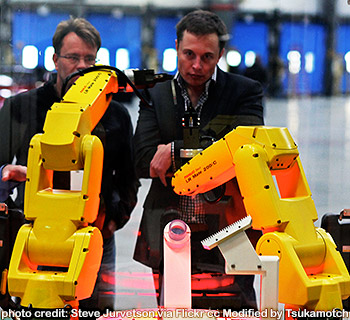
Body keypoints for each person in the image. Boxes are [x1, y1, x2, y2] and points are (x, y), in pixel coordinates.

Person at [0, 17, 139, 312]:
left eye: (90, 58)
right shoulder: (22, 108)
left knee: (98, 312)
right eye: (73, 57)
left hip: (96, 237)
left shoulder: (115, 115)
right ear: (55, 59)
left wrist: (114, 221)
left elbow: (128, 178)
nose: (82, 65)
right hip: (38, 239)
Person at [133, 10, 264, 309]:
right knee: (172, 311)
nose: (196, 65)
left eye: (207, 57)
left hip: (229, 229)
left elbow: (244, 149)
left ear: (221, 54)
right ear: (177, 46)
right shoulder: (156, 93)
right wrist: (210, 151)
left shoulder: (244, 91)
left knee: (237, 311)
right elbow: (142, 159)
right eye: (189, 53)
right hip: (170, 228)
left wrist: (175, 150)